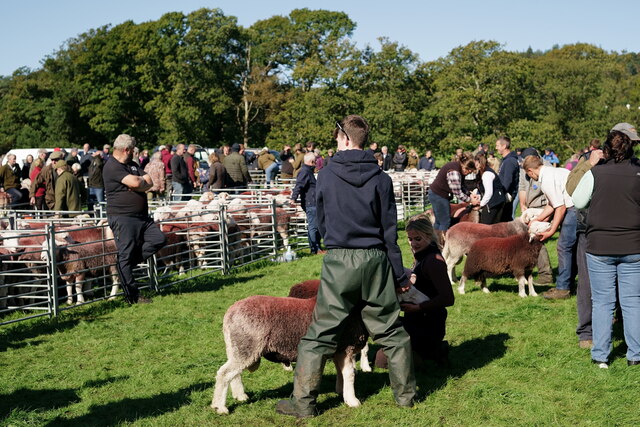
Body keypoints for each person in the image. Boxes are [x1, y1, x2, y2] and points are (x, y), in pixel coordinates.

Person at [276, 115, 416, 418]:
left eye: (337, 136)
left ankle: (303, 404)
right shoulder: (382, 178)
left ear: (345, 139)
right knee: (392, 331)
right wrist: (399, 274)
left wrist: (332, 241)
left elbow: (322, 219)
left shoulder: (325, 176)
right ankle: (405, 398)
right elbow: (390, 233)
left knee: (319, 335)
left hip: (340, 258)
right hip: (376, 258)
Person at [571, 123, 640, 367]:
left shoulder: (595, 173)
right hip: (633, 245)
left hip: (599, 245)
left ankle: (601, 355)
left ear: (607, 148)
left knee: (602, 302)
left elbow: (578, 201)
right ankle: (635, 356)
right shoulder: (638, 171)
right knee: (632, 301)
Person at [103, 134, 166, 304]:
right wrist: (139, 185)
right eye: (133, 150)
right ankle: (132, 296)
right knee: (126, 253)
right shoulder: (112, 166)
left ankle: (127, 264)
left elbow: (148, 181)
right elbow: (139, 183)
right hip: (123, 217)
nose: (134, 153)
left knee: (158, 238)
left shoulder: (131, 165)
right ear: (127, 150)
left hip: (141, 217)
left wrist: (138, 185)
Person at [398, 215, 454, 366]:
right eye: (410, 239)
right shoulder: (422, 256)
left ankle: (430, 352)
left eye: (418, 239)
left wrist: (417, 308)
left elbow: (448, 298)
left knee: (383, 359)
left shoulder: (433, 261)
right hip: (418, 319)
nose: (413, 244)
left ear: (429, 236)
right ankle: (429, 353)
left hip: (428, 325)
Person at [523, 155, 578, 300]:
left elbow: (560, 207)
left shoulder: (546, 180)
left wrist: (551, 231)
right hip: (578, 209)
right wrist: (538, 219)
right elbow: (552, 204)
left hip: (573, 210)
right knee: (574, 248)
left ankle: (563, 288)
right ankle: (569, 284)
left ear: (530, 171)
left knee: (564, 247)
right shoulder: (554, 172)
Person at [517, 148, 554, 286]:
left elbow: (550, 192)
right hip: (530, 207)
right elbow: (522, 187)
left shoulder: (547, 168)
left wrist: (544, 214)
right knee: (529, 239)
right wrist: (523, 205)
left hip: (545, 206)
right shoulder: (524, 167)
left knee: (538, 238)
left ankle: (546, 275)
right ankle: (529, 270)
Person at [427, 152, 480, 245]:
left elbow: (461, 186)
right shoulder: (454, 172)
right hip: (439, 195)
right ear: (466, 168)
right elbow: (458, 193)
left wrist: (469, 194)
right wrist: (471, 200)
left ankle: (435, 243)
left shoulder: (458, 167)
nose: (468, 174)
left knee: (439, 222)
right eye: (469, 171)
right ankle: (442, 244)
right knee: (444, 222)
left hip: (437, 193)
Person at [290, 152, 323, 254]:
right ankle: (315, 248)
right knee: (313, 226)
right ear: (312, 162)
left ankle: (316, 247)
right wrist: (294, 197)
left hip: (312, 202)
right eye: (315, 162)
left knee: (315, 225)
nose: (316, 164)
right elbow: (299, 185)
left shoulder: (307, 171)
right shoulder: (305, 172)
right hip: (310, 203)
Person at [474, 152, 506, 224]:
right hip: (494, 202)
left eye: (476, 164)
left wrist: (481, 204)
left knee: (486, 225)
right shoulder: (481, 173)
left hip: (494, 203)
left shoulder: (487, 174)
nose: (475, 166)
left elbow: (489, 192)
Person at [496, 136, 520, 221]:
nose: (496, 148)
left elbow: (507, 181)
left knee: (505, 220)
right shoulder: (506, 160)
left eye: (498, 145)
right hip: (504, 195)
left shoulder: (510, 161)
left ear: (504, 146)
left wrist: (500, 195)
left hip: (506, 196)